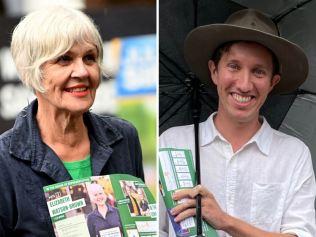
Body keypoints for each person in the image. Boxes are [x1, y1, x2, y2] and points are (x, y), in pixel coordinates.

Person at [160, 9, 316, 237]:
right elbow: (156, 228)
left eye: (258, 72)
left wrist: (225, 221)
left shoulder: (293, 155)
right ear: (214, 71)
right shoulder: (172, 142)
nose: (244, 84)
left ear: (273, 82)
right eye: (234, 66)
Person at [0, 6, 144, 236]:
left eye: (89, 58)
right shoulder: (5, 159)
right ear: (33, 70)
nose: (83, 71)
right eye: (64, 59)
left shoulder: (124, 138)